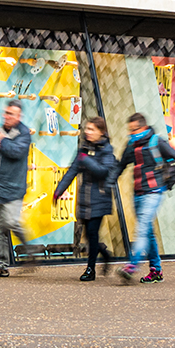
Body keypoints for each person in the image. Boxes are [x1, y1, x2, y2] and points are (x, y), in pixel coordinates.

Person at [116, 112, 175, 283]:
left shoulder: (156, 142)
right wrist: (108, 182)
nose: (132, 133)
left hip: (153, 193)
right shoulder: (132, 145)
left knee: (142, 228)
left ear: (144, 127)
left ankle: (132, 265)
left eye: (135, 129)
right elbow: (121, 165)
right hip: (137, 193)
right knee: (148, 231)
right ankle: (156, 270)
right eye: (130, 130)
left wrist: (168, 184)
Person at [55, 114, 117, 280]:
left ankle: (90, 270)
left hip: (100, 198)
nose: (87, 132)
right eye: (87, 128)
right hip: (85, 199)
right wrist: (59, 190)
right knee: (89, 236)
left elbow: (103, 172)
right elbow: (73, 171)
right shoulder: (83, 149)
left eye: (92, 129)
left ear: (101, 132)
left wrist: (86, 160)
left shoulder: (107, 150)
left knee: (92, 233)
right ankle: (105, 255)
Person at [0, 98, 34, 277]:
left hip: (14, 187)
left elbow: (16, 152)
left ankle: (29, 249)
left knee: (11, 222)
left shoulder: (24, 133)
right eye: (6, 113)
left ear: (19, 116)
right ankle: (0, 265)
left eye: (11, 114)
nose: (7, 116)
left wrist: (1, 141)